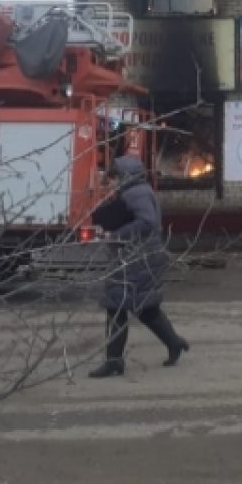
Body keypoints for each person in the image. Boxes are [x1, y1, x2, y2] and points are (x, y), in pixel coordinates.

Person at [89, 155, 189, 378]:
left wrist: (117, 235)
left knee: (117, 307)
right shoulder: (138, 190)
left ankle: (114, 361)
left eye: (114, 178)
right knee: (144, 307)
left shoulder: (136, 193)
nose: (112, 182)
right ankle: (174, 343)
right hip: (141, 256)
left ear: (124, 175)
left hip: (136, 257)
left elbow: (147, 222)